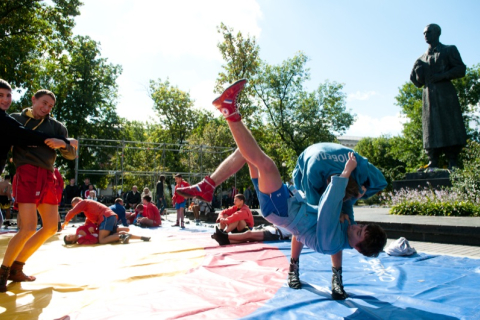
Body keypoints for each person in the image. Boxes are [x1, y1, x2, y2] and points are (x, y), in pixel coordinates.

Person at [175, 79, 387, 300]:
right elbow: (342, 209)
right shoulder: (345, 232)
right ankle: (208, 185)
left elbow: (326, 209)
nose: (356, 227)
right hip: (285, 205)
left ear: (358, 247)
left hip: (282, 210)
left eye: (359, 232)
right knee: (247, 154)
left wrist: (345, 174)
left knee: (266, 164)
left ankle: (229, 109)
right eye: (361, 226)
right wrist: (353, 198)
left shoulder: (331, 242)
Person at [1, 87, 77, 293]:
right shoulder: (15, 118)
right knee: (27, 227)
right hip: (27, 173)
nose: (46, 108)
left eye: (50, 106)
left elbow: (71, 154)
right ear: (33, 100)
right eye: (43, 103)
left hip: (48, 174)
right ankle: (3, 272)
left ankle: (17, 266)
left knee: (52, 227)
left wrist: (63, 144)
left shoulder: (57, 127)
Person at [410, 23, 467, 170]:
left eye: (428, 32)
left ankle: (452, 160)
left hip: (445, 94)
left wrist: (442, 76)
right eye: (424, 33)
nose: (425, 35)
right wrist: (418, 73)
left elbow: (461, 69)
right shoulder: (421, 58)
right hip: (429, 97)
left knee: (449, 124)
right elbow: (416, 82)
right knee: (430, 127)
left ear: (437, 33)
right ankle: (432, 160)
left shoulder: (449, 50)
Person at [62, 197, 148, 244]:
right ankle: (141, 237)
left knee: (102, 240)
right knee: (113, 235)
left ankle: (122, 236)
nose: (77, 208)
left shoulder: (84, 203)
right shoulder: (87, 209)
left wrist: (66, 221)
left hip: (106, 217)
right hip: (110, 217)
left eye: (76, 206)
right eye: (70, 238)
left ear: (78, 203)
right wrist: (88, 228)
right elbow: (88, 222)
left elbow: (73, 211)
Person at [63, 218, 150, 245]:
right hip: (102, 236)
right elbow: (94, 241)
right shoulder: (81, 241)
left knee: (123, 232)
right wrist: (86, 235)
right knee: (122, 233)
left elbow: (90, 225)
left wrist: (91, 228)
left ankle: (141, 237)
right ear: (73, 241)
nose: (70, 236)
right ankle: (141, 238)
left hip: (102, 231)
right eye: (69, 238)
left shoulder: (79, 229)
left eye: (68, 235)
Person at [212, 224, 292, 245]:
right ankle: (226, 241)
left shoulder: (296, 225)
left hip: (274, 233)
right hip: (271, 230)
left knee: (248, 234)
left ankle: (224, 236)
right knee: (248, 239)